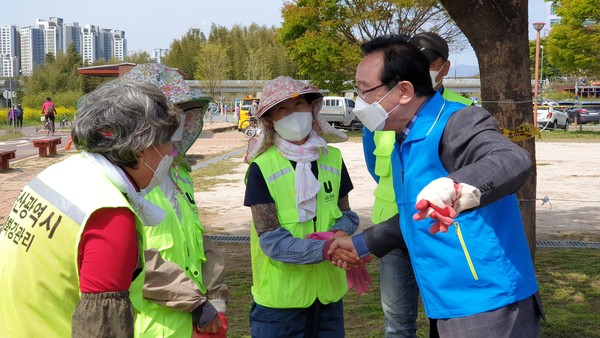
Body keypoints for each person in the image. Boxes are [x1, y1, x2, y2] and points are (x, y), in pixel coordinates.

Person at [332, 34, 543, 337]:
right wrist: (362, 244)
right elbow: (416, 213)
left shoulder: (457, 121)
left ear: (404, 90)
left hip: (487, 302)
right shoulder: (402, 138)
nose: (360, 103)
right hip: (446, 300)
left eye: (366, 91)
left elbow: (511, 159)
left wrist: (452, 185)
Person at [0, 79, 179, 337]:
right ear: (141, 148)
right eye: (167, 141)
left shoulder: (58, 174)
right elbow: (103, 328)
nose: (171, 151)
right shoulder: (110, 215)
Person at [360, 32, 475, 337]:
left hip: (443, 232)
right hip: (392, 229)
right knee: (397, 321)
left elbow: (495, 164)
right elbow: (374, 166)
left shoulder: (462, 111)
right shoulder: (380, 112)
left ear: (445, 67)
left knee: (448, 316)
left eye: (428, 63)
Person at [243, 76, 360, 337]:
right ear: (271, 119)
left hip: (328, 297)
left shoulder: (333, 158)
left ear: (312, 109)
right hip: (280, 303)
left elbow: (347, 215)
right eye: (282, 109)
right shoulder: (261, 167)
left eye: (300, 106)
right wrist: (326, 248)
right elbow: (270, 239)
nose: (293, 114)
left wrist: (340, 232)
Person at [123, 63, 229, 337]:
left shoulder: (178, 171)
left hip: (190, 324)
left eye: (181, 111)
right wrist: (196, 305)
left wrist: (215, 297)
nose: (177, 119)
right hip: (148, 327)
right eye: (169, 111)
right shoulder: (124, 181)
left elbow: (196, 237)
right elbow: (131, 259)